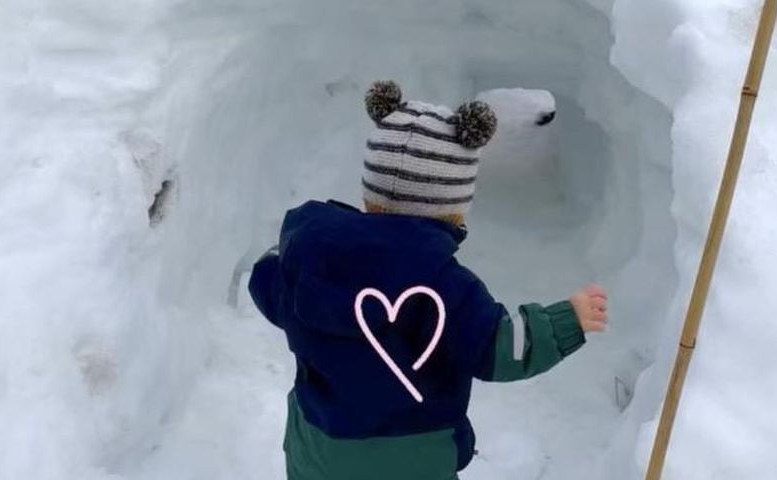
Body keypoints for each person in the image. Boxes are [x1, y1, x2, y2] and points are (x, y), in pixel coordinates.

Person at [249, 81, 609, 480]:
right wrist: (566, 320)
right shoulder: (444, 286)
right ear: (451, 211)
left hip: (317, 449)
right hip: (411, 460)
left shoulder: (315, 260)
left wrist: (281, 258)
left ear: (370, 196)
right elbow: (499, 347)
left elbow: (266, 286)